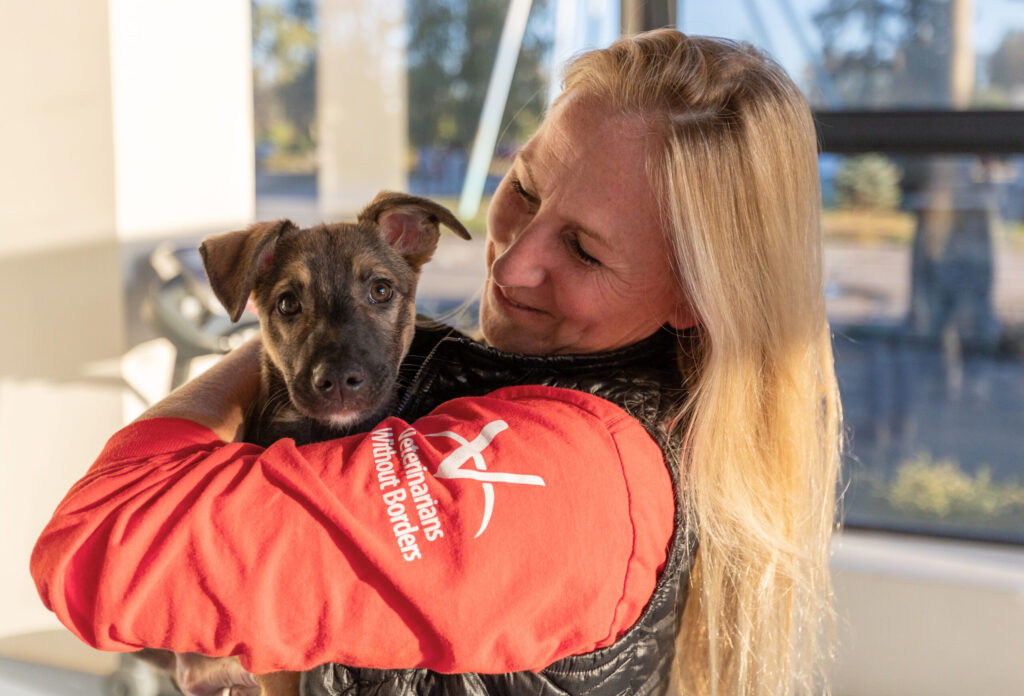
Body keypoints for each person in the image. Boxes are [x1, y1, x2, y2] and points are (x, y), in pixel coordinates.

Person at [30, 30, 842, 696]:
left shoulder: (570, 481)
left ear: (695, 297)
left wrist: (287, 329)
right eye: (524, 187)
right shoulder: (508, 373)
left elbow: (99, 553)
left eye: (586, 250)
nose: (512, 263)